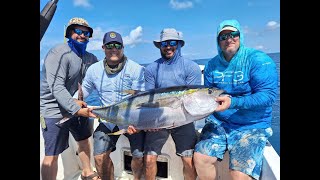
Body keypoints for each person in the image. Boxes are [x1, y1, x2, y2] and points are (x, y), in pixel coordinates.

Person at [193, 19, 279, 180]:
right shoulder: (212, 65)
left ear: (240, 36)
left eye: (233, 34)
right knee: (201, 159)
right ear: (218, 41)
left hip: (252, 125)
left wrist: (233, 102)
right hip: (219, 124)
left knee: (238, 175)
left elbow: (268, 96)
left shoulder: (258, 60)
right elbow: (208, 96)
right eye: (223, 36)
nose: (229, 39)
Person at [40, 17, 100, 180]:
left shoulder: (90, 58)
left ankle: (87, 172)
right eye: (78, 31)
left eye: (85, 33)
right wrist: (77, 109)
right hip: (53, 108)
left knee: (83, 139)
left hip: (75, 105)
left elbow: (101, 78)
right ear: (69, 33)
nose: (82, 35)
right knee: (52, 154)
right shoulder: (58, 53)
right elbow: (56, 87)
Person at [81, 31, 146, 180]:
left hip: (132, 121)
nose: (114, 49)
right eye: (110, 45)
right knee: (99, 157)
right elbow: (83, 93)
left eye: (117, 45)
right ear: (103, 47)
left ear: (123, 47)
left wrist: (136, 122)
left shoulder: (136, 69)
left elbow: (141, 101)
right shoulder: (94, 70)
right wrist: (73, 105)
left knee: (139, 157)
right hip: (108, 120)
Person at [144, 28, 202, 180]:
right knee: (149, 159)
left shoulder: (191, 67)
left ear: (179, 44)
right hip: (159, 119)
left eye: (172, 43)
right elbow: (148, 99)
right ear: (160, 46)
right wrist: (150, 120)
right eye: (164, 43)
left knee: (188, 160)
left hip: (184, 119)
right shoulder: (151, 69)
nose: (168, 46)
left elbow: (194, 100)